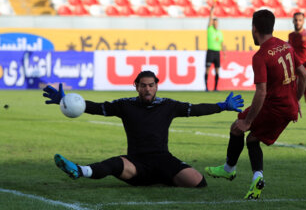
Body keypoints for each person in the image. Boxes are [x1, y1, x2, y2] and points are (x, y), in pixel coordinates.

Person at [43, 71, 244, 188]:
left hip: (164, 160)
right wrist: (65, 100)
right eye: (143, 85)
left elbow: (195, 109)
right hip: (136, 164)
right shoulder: (124, 105)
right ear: (136, 87)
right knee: (114, 163)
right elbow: (97, 107)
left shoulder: (168, 105)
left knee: (199, 183)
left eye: (151, 85)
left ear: (156, 86)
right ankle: (79, 170)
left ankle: (163, 178)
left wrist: (222, 106)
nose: (147, 89)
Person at [204, 10, 306, 199]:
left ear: (254, 28)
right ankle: (257, 178)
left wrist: (248, 121)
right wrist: (296, 100)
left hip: (274, 107)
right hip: (288, 108)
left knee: (237, 127)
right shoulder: (286, 46)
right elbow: (304, 75)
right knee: (252, 140)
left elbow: (261, 92)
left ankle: (229, 169)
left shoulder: (260, 56)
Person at [205, 4, 225, 92]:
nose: (216, 24)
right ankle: (206, 87)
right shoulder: (210, 30)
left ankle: (215, 88)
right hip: (210, 52)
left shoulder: (220, 33)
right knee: (207, 69)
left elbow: (222, 43)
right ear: (213, 23)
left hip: (217, 53)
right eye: (214, 22)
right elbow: (210, 19)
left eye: (217, 22)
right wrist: (211, 11)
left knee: (217, 70)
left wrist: (224, 53)